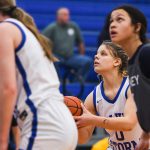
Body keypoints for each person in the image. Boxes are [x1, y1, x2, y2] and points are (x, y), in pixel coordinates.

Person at [0, 0, 77, 150]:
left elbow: (9, 89)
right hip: (59, 123)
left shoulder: (5, 29)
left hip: (42, 124)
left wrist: (2, 141)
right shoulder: (24, 32)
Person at [75, 41, 142, 150]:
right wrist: (75, 121)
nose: (96, 56)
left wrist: (93, 119)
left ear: (116, 62)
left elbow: (129, 124)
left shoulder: (132, 87)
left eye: (103, 54)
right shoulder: (93, 97)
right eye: (96, 54)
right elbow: (83, 139)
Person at [108, 5, 150, 149]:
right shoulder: (132, 63)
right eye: (111, 21)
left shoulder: (146, 54)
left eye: (119, 19)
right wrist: (146, 134)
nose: (113, 24)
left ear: (137, 27)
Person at [42, 7, 92, 81]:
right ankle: (59, 81)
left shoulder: (73, 26)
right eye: (65, 15)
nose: (67, 17)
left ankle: (76, 82)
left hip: (70, 57)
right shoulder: (52, 28)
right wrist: (49, 53)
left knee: (87, 61)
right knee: (52, 60)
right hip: (57, 56)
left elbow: (80, 42)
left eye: (68, 15)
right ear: (58, 16)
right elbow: (42, 40)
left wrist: (81, 54)